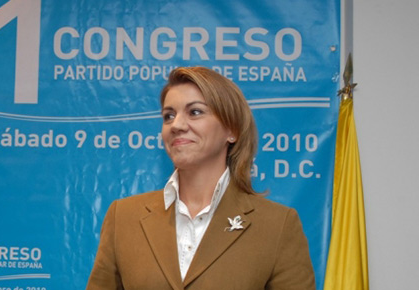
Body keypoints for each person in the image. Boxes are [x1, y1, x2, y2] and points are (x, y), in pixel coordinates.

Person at [86, 67, 315, 289]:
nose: (177, 125)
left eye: (195, 112)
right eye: (168, 116)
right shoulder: (123, 218)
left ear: (231, 130)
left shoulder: (278, 225)